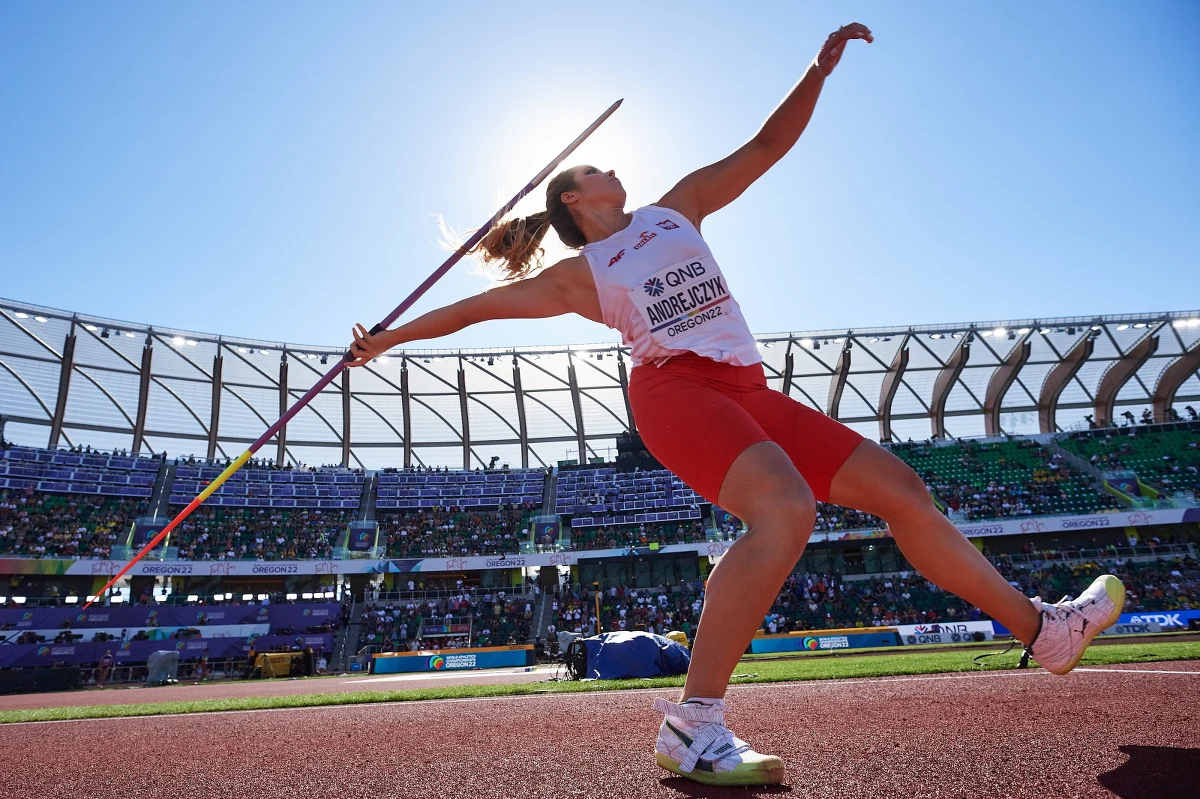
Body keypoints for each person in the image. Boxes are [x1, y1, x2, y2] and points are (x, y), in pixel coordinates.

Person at [346, 23, 1125, 787]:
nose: (616, 170)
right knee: (785, 510)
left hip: (747, 388)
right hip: (676, 391)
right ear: (576, 197)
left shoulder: (673, 209)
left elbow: (763, 149)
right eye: (600, 170)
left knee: (903, 491)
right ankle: (694, 726)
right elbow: (472, 312)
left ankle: (1044, 629)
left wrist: (814, 73)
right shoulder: (578, 274)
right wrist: (385, 341)